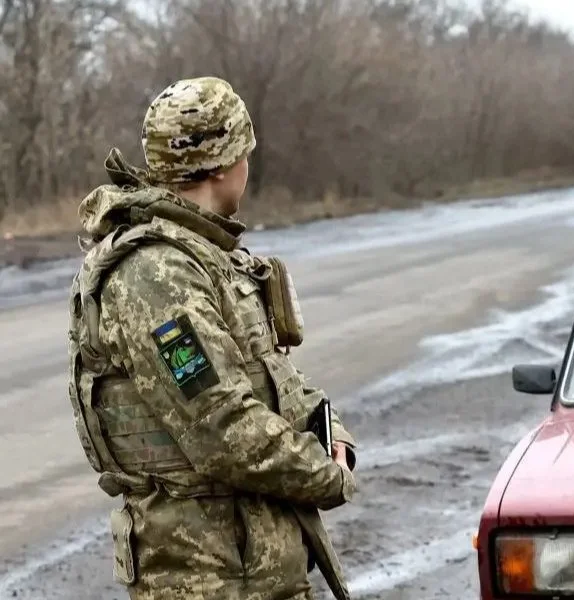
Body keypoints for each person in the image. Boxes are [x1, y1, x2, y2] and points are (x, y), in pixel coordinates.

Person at [66, 76, 359, 599]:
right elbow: (221, 427)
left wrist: (331, 430)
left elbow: (268, 373)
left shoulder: (206, 254)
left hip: (253, 565)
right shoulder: (157, 274)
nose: (249, 166)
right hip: (209, 576)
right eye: (245, 152)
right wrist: (324, 474)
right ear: (223, 166)